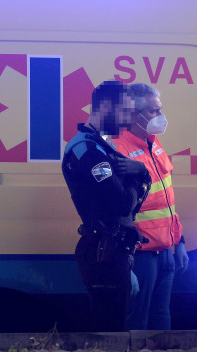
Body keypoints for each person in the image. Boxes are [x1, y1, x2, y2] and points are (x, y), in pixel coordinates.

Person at [61, 80, 151, 331]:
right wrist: (139, 176)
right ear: (106, 106)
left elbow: (134, 194)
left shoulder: (101, 144)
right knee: (109, 333)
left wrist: (141, 171)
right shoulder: (88, 150)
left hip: (112, 249)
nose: (126, 120)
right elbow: (122, 204)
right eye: (123, 111)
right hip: (103, 254)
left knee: (115, 327)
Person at [111, 83, 188, 330]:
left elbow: (166, 200)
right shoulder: (117, 149)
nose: (161, 116)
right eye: (155, 111)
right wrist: (125, 261)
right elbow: (116, 211)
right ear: (135, 115)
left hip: (166, 248)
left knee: (161, 317)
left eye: (160, 109)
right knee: (138, 321)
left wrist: (181, 241)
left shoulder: (153, 144)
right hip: (141, 253)